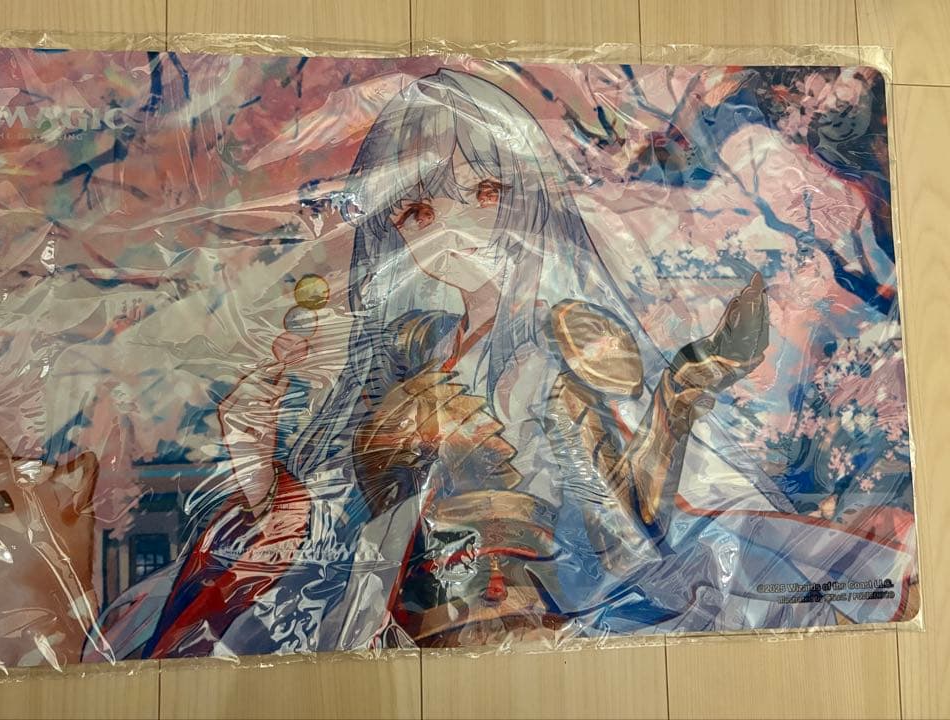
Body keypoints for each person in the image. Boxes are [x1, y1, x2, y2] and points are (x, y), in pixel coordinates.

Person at [89, 69, 914, 661]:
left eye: (483, 194)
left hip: (543, 608)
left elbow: (640, 509)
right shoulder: (411, 349)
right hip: (406, 614)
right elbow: (340, 521)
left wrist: (678, 398)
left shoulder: (567, 339)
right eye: (418, 210)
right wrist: (263, 462)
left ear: (527, 197)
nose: (453, 229)